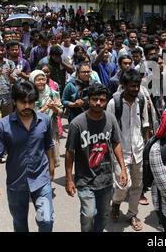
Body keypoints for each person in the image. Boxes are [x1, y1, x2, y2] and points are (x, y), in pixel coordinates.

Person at [0, 81, 55, 232]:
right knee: (20, 224)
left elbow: (49, 145)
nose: (27, 106)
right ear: (14, 101)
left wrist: (51, 167)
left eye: (31, 102)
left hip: (41, 179)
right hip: (16, 182)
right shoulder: (2, 126)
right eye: (23, 102)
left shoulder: (44, 120)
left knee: (46, 221)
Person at [65, 83, 128, 232]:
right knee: (88, 214)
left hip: (105, 179)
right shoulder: (77, 124)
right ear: (88, 100)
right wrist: (68, 179)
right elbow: (70, 152)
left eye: (102, 99)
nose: (98, 103)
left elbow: (116, 143)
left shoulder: (110, 119)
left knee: (104, 214)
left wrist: (122, 169)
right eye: (94, 99)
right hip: (85, 179)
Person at [106, 69, 151, 231]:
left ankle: (132, 214)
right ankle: (116, 203)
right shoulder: (114, 103)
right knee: (123, 186)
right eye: (132, 86)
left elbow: (145, 124)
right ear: (124, 85)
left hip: (138, 150)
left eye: (138, 85)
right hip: (120, 152)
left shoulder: (141, 100)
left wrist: (146, 146)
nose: (136, 89)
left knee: (137, 186)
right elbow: (108, 128)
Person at [29, 70, 63, 167]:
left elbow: (60, 112)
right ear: (32, 81)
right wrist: (44, 109)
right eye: (38, 80)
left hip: (51, 127)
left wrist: (54, 108)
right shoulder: (29, 95)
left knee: (52, 155)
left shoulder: (53, 93)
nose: (41, 82)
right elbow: (28, 115)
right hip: (35, 128)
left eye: (43, 79)